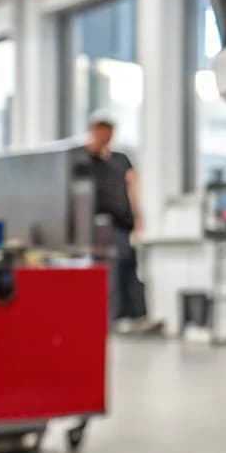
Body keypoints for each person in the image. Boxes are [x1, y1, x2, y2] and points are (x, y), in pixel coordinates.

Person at [80, 114, 156, 331]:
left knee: (129, 267)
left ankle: (137, 317)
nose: (105, 135)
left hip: (123, 223)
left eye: (109, 131)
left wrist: (139, 215)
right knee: (109, 271)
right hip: (99, 224)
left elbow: (133, 185)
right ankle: (109, 320)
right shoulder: (85, 159)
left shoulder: (121, 159)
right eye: (100, 130)